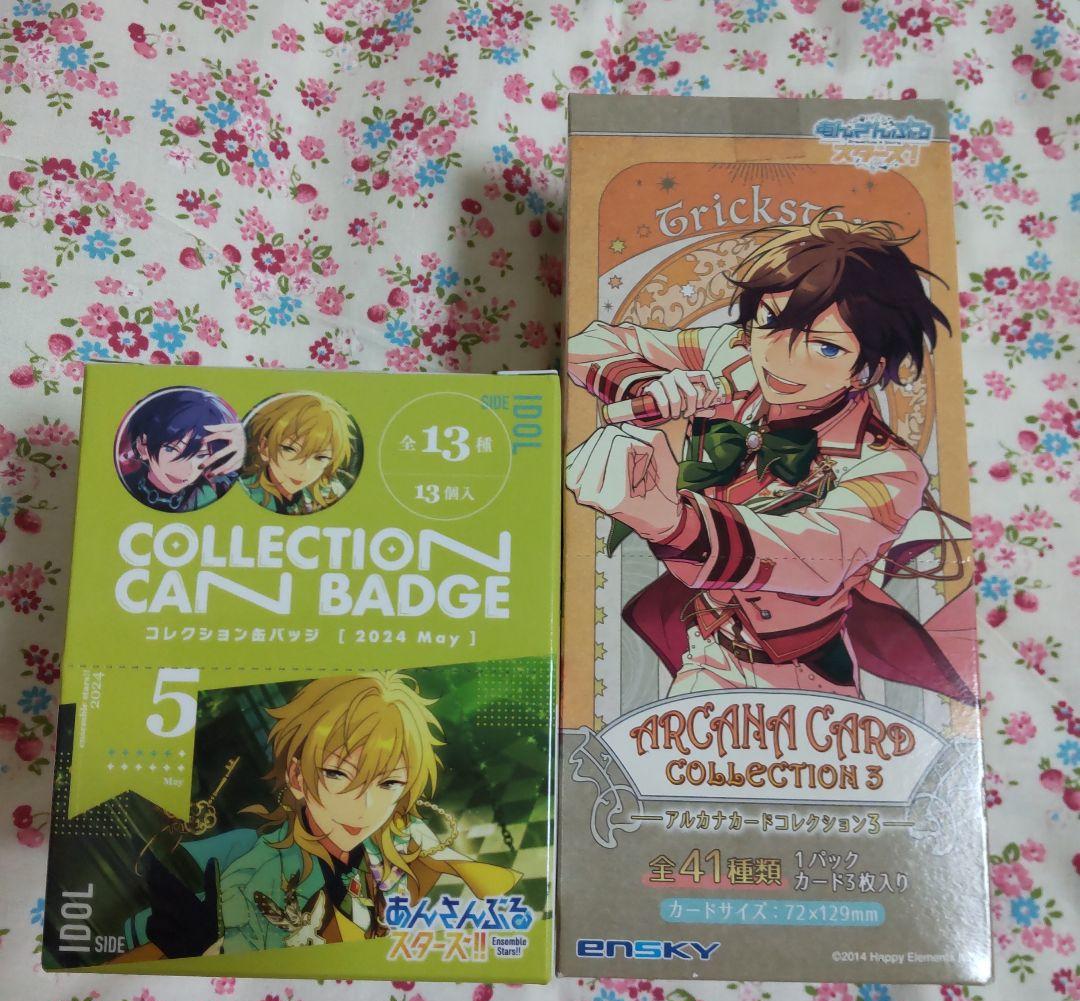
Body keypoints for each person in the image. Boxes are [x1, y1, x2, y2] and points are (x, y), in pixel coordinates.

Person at [565, 213, 975, 704]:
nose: (781, 359)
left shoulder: (888, 467)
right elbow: (584, 346)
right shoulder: (730, 354)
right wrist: (649, 385)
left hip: (802, 676)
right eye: (772, 323)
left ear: (866, 370)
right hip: (706, 650)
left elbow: (816, 557)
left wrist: (671, 523)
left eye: (826, 348)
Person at [133, 673, 520, 957]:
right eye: (338, 775)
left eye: (388, 783)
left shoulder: (401, 835)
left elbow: (481, 885)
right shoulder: (253, 877)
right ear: (297, 776)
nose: (363, 808)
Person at [118, 387, 244, 512]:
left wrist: (248, 447)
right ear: (142, 446)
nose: (185, 470)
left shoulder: (213, 491)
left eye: (201, 455)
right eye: (170, 449)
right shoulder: (121, 486)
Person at [240, 392, 357, 515]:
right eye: (290, 449)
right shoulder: (248, 493)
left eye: (321, 457)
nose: (304, 469)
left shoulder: (332, 492)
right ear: (265, 448)